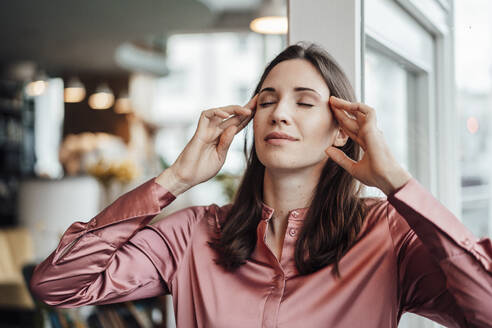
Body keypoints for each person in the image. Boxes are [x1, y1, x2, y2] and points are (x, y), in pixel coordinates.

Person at [30, 43, 492, 328]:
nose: (280, 113)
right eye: (267, 100)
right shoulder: (193, 234)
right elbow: (59, 285)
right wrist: (175, 179)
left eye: (305, 102)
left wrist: (397, 182)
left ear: (341, 131)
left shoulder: (386, 235)